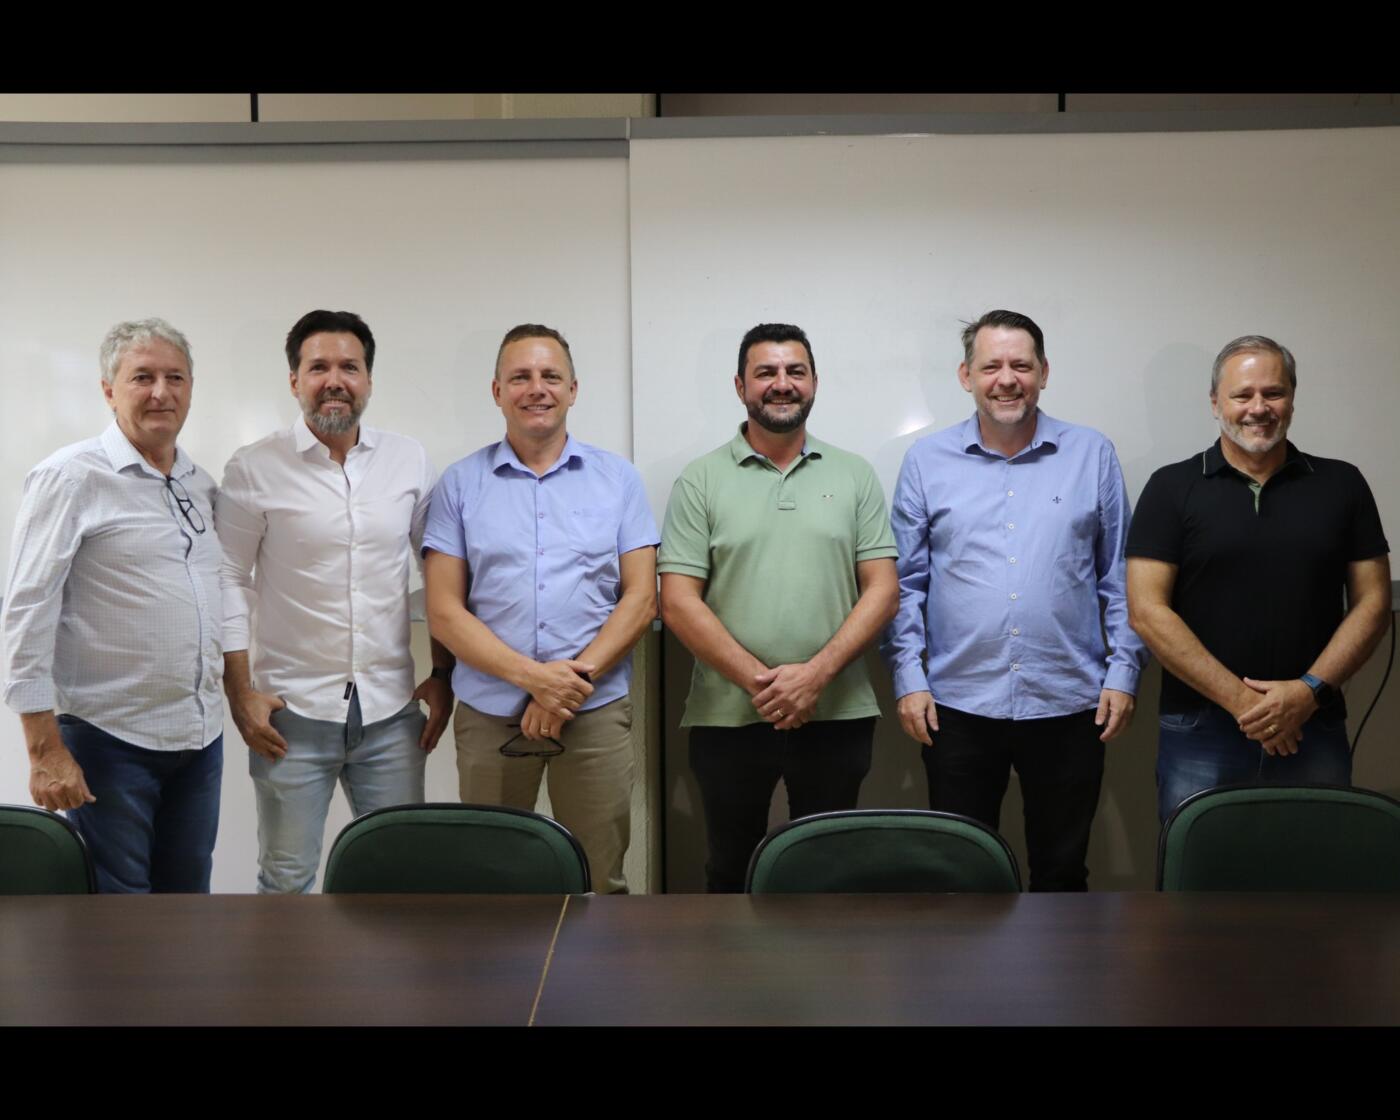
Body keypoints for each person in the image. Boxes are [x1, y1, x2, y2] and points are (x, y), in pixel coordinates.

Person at [882, 309, 1146, 891]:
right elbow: (905, 583)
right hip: (956, 705)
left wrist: (1124, 673)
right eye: (991, 366)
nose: (1007, 379)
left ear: (1044, 372)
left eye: (1021, 365)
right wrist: (908, 678)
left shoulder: (1092, 454)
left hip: (1071, 703)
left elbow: (1120, 577)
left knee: (1062, 874)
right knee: (962, 878)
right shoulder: (926, 461)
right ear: (966, 375)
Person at [216, 310, 453, 893]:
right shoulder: (254, 467)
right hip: (292, 716)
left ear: (368, 379)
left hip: (391, 714)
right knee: (287, 880)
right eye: (318, 367)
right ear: (294, 380)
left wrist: (444, 673)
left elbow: (440, 573)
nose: (334, 380)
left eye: (349, 367)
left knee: (400, 880)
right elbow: (227, 580)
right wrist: (240, 693)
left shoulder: (408, 460)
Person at [659, 323, 899, 892]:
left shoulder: (854, 474)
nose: (782, 383)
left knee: (826, 872)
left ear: (814, 382)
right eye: (765, 372)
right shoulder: (700, 480)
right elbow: (677, 600)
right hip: (728, 715)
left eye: (796, 371)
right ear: (740, 385)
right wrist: (765, 684)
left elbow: (883, 589)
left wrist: (813, 677)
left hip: (835, 710)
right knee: (730, 868)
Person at [423, 324, 658, 894]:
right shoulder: (459, 484)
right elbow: (444, 610)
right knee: (492, 881)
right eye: (520, 377)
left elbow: (641, 597)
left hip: (594, 711)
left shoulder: (619, 479)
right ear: (497, 391)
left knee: (600, 878)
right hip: (491, 713)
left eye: (551, 376)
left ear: (573, 389)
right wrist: (535, 680)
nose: (537, 388)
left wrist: (566, 688)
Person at [1127, 334, 1391, 821]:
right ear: (1215, 402)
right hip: (1200, 729)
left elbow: (1373, 602)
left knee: (1317, 863)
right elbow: (1146, 611)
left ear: (1292, 398)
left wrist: (1307, 692)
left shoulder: (1343, 484)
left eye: (1273, 393)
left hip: (1313, 723)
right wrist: (1250, 705)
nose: (1258, 408)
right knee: (1197, 867)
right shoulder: (1170, 487)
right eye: (1242, 394)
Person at [2, 318, 224, 892]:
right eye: (142, 377)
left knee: (187, 907)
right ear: (109, 390)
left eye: (175, 377)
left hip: (200, 742)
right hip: (110, 743)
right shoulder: (70, 477)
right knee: (116, 918)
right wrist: (43, 748)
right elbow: (27, 609)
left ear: (191, 388)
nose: (161, 392)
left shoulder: (199, 484)